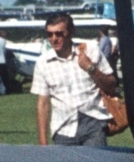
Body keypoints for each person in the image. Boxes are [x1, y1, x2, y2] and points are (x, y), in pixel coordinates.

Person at [33, 12, 117, 148]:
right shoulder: (43, 63)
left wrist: (90, 68)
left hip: (93, 124)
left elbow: (112, 85)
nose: (54, 39)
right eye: (50, 34)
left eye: (59, 34)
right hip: (63, 129)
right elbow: (42, 103)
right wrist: (43, 143)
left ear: (71, 32)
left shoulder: (91, 51)